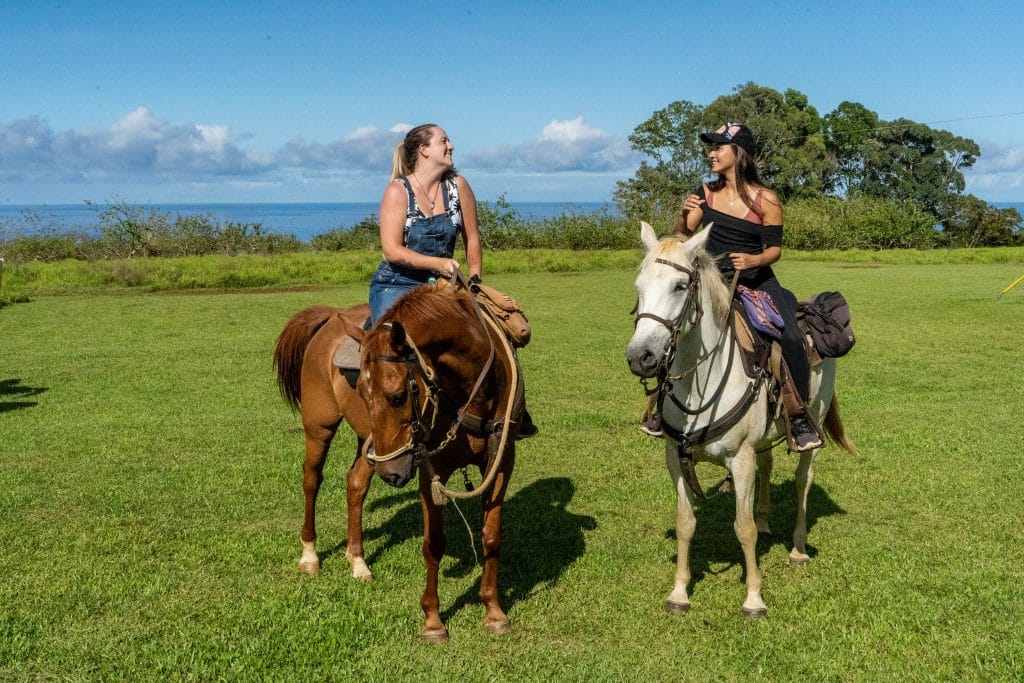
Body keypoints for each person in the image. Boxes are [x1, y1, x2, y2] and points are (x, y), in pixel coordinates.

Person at [643, 122, 820, 451]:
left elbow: (774, 250)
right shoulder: (705, 193)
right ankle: (659, 405)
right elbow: (682, 237)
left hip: (757, 279)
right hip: (710, 280)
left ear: (738, 154)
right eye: (710, 149)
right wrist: (684, 216)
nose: (710, 154)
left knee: (793, 336)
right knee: (675, 327)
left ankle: (797, 416)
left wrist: (753, 261)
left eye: (718, 148)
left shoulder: (766, 199)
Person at [368, 123, 536, 438]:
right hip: (396, 283)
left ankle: (514, 410)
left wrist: (475, 280)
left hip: (441, 287)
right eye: (444, 140)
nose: (451, 146)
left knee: (493, 332)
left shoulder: (458, 186)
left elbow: (473, 238)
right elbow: (391, 250)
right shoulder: (397, 190)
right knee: (391, 352)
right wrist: (438, 263)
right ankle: (384, 417)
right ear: (424, 150)